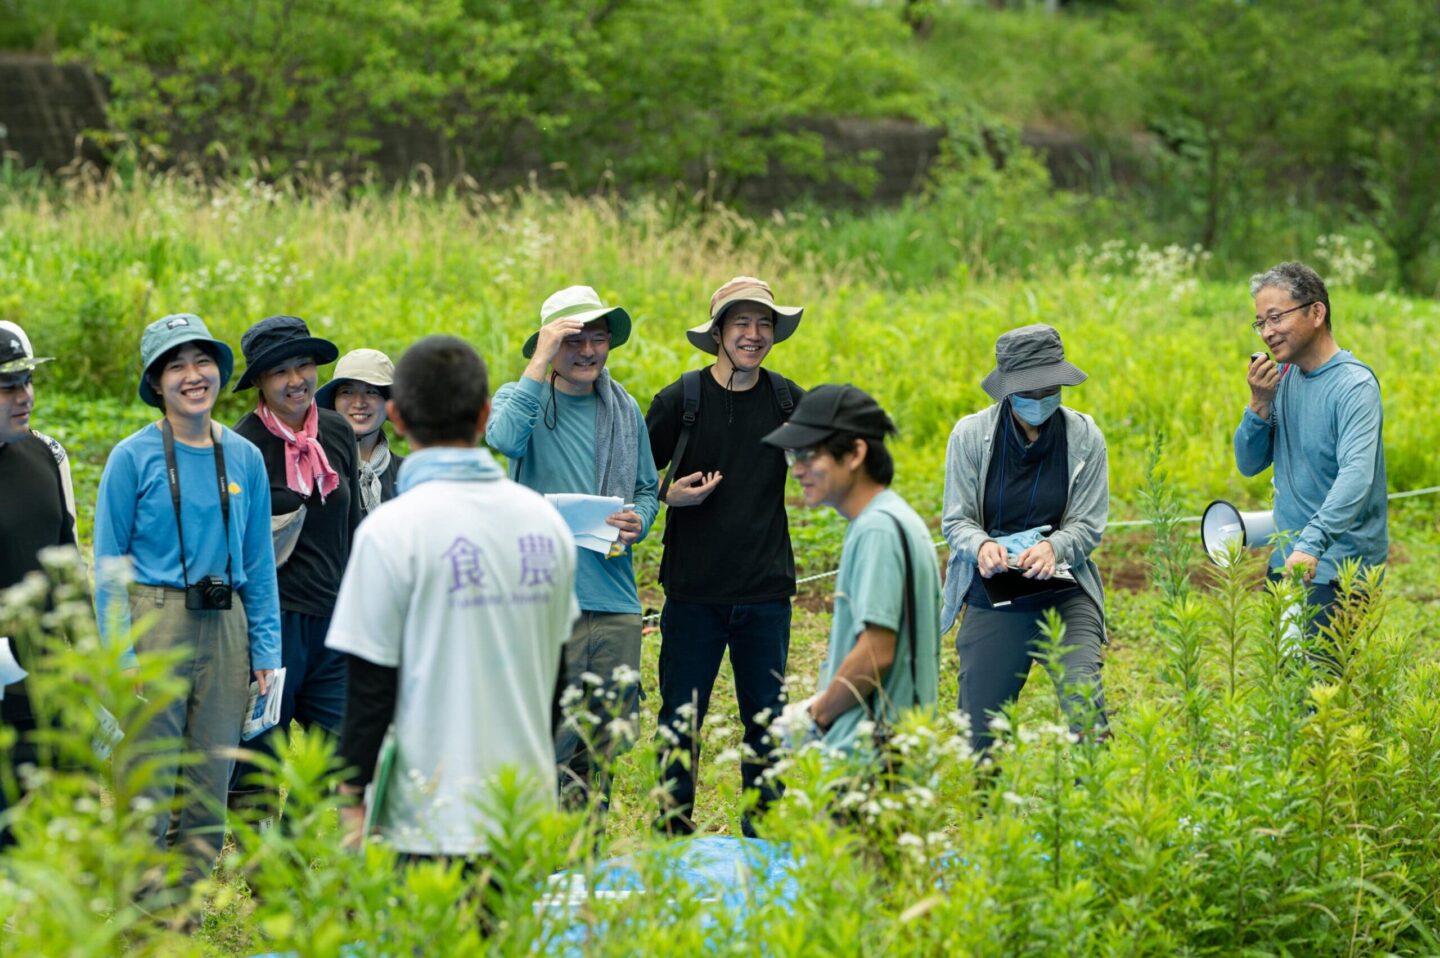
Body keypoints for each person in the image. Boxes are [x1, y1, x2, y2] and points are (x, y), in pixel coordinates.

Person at [329, 335, 577, 862]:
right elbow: (557, 678)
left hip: (427, 821)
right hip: (523, 815)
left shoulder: (392, 531)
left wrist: (351, 802)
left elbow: (370, 691)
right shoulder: (545, 525)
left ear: (396, 416)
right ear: (486, 413)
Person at [92, 314, 280, 878]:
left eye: (202, 363)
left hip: (227, 624)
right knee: (148, 782)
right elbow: (107, 571)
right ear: (156, 382)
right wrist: (121, 656)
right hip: (155, 620)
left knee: (209, 784)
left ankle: (184, 919)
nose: (193, 376)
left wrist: (266, 651)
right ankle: (141, 923)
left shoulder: (245, 456)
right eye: (176, 366)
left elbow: (259, 564)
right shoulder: (132, 458)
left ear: (219, 372)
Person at [485, 285, 658, 817]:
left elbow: (648, 488)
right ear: (549, 345)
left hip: (613, 597)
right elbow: (503, 439)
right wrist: (537, 361)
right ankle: (531, 856)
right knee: (542, 737)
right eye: (572, 339)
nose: (587, 351)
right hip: (542, 597)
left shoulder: (624, 410)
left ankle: (586, 857)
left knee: (601, 742)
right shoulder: (524, 401)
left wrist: (639, 521)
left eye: (598, 339)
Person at [645, 276, 806, 836]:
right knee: (678, 722)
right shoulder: (679, 401)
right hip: (692, 593)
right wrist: (671, 495)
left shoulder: (788, 400)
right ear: (718, 333)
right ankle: (670, 836)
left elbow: (824, 473)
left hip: (766, 592)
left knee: (766, 722)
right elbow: (637, 483)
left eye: (764, 325)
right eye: (741, 323)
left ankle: (762, 838)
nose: (754, 335)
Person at [940, 324, 1109, 755]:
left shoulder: (1084, 437)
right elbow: (956, 520)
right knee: (981, 732)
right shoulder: (971, 436)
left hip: (1062, 590)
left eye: (1048, 388)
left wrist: (1055, 547)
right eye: (1027, 391)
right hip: (994, 590)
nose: (1039, 400)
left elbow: (1087, 524)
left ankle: (1095, 809)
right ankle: (987, 812)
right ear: (1006, 391)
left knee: (1085, 706)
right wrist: (981, 546)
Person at [761, 385, 940, 756]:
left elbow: (877, 651)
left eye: (810, 455)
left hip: (874, 763)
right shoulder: (893, 519)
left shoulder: (878, 529)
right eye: (795, 456)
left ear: (856, 453)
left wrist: (816, 715)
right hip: (892, 754)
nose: (798, 471)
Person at [228, 315, 360, 813]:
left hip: (334, 623)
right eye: (280, 371)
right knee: (260, 757)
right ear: (260, 382)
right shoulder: (242, 448)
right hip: (272, 626)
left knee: (346, 752)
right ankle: (265, 880)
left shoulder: (337, 431)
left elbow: (353, 526)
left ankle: (304, 858)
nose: (296, 380)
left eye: (303, 365)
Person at [1235, 261, 1387, 651]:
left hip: (1338, 571)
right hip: (1288, 562)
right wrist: (1258, 404)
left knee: (1323, 696)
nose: (1267, 332)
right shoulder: (1283, 379)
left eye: (1275, 317)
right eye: (1260, 323)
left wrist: (1312, 544)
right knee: (1285, 686)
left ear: (1316, 313)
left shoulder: (1354, 386)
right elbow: (1249, 464)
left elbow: (1356, 476)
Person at [0, 322, 75, 851]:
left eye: (27, 381)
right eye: (8, 386)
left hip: (47, 690)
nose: (24, 396)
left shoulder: (46, 456)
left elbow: (71, 569)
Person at [316, 348, 404, 517]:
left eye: (371, 392)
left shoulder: (405, 475)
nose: (359, 402)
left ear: (389, 404)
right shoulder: (317, 469)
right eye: (347, 392)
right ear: (334, 401)